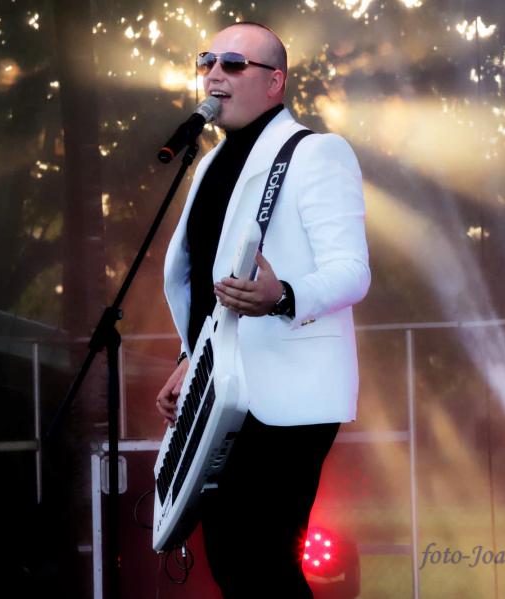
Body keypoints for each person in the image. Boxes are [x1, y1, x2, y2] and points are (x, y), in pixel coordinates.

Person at [155, 22, 369, 598]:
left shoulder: (315, 152)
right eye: (207, 61)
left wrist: (284, 296)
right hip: (223, 388)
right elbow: (206, 286)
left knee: (262, 556)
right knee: (230, 559)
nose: (214, 73)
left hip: (288, 393)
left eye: (233, 64)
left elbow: (353, 271)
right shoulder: (208, 164)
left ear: (275, 82)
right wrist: (189, 358)